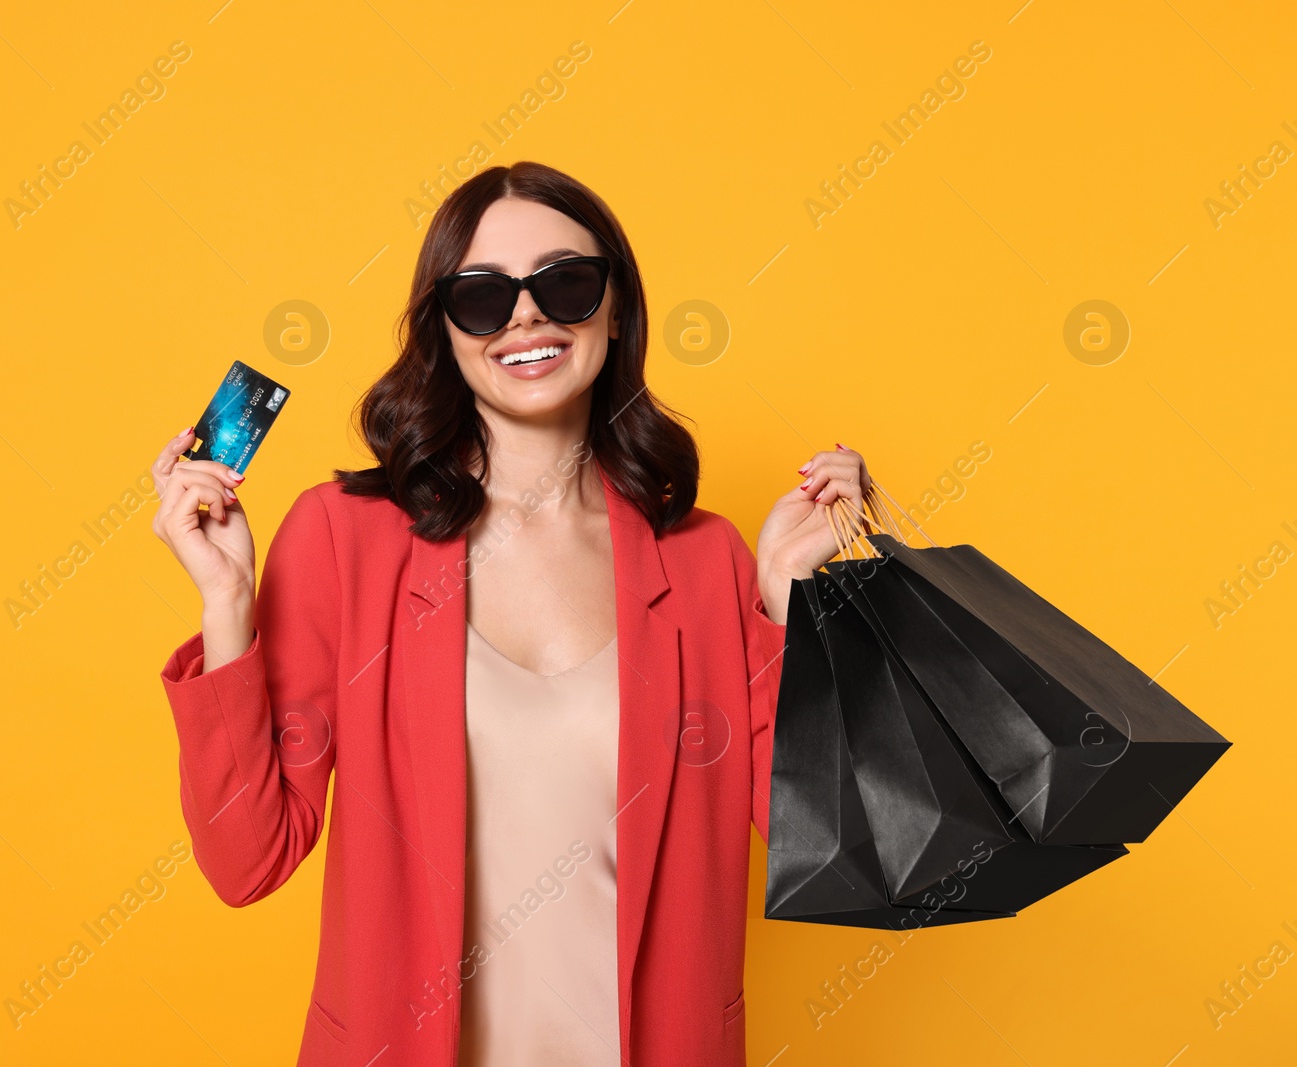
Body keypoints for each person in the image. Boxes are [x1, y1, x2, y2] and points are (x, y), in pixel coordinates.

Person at [150, 160, 871, 1066]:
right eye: (483, 298)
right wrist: (226, 604)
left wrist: (783, 596)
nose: (527, 317)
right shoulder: (345, 540)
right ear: (443, 329)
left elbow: (818, 839)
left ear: (615, 308)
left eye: (565, 284)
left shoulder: (704, 558)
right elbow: (246, 859)